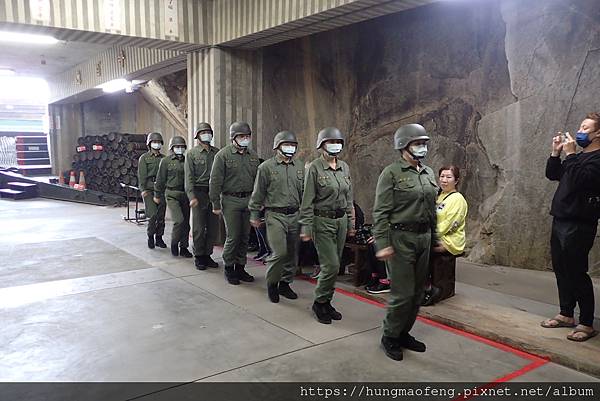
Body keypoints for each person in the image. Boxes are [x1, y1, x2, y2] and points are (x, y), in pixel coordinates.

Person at [373, 123, 438, 361]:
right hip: (400, 238)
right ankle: (390, 336)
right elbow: (380, 212)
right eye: (417, 143)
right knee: (403, 293)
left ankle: (403, 333)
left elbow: (432, 211)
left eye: (424, 143)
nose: (422, 147)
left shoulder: (428, 173)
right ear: (404, 146)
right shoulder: (391, 173)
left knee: (418, 292)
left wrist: (436, 238)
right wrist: (382, 243)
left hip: (424, 238)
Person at [541, 112, 600, 342]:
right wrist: (556, 152)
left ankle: (586, 322)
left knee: (577, 272)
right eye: (580, 127)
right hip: (561, 218)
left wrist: (572, 154)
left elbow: (581, 181)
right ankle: (566, 313)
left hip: (579, 222)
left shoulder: (596, 159)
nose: (580, 131)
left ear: (598, 133)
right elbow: (553, 174)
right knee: (561, 269)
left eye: (585, 128)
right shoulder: (576, 158)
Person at [300, 127, 355, 324]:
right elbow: (307, 201)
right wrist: (306, 227)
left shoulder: (345, 167)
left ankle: (327, 301)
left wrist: (351, 223)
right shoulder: (314, 168)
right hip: (321, 221)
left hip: (341, 221)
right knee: (330, 265)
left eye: (338, 141)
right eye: (330, 141)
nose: (335, 145)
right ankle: (319, 301)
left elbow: (349, 198)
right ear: (321, 145)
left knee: (336, 265)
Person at [249, 130, 304, 303]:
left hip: (295, 215)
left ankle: (285, 283)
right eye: (287, 145)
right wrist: (254, 214)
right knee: (279, 252)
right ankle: (272, 283)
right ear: (277, 147)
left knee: (292, 254)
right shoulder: (266, 168)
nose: (290, 148)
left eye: (293, 145)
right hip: (275, 215)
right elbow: (258, 193)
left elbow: (304, 193)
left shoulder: (300, 167)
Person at [209, 122, 260, 285]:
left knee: (245, 236)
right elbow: (215, 181)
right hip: (230, 200)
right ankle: (229, 267)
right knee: (233, 236)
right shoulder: (223, 156)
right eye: (241, 136)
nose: (245, 139)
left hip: (249, 199)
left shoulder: (252, 156)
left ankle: (241, 267)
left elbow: (258, 181)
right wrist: (215, 203)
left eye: (247, 136)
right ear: (233, 138)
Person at [422, 165, 468, 306]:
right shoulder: (439, 195)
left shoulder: (458, 199)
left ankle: (429, 290)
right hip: (435, 236)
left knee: (421, 250)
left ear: (456, 180)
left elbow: (447, 225)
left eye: (449, 177)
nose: (444, 180)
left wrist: (428, 236)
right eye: (442, 176)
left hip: (450, 240)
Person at [185, 122, 220, 270]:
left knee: (213, 227)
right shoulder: (192, 154)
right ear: (197, 136)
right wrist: (191, 196)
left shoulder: (217, 153)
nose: (207, 134)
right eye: (203, 132)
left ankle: (207, 254)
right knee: (199, 228)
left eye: (209, 132)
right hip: (199, 194)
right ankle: (199, 256)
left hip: (213, 193)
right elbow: (189, 177)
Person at [154, 136, 193, 258]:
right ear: (172, 148)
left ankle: (184, 247)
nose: (180, 149)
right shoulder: (165, 161)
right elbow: (160, 180)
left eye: (182, 147)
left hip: (185, 194)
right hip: (171, 194)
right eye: (177, 147)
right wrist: (156, 194)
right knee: (178, 220)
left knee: (186, 223)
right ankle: (174, 243)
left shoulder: (188, 160)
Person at [138, 132, 167, 249]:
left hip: (161, 190)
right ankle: (150, 235)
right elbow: (141, 175)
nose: (157, 144)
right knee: (153, 215)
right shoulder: (144, 158)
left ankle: (159, 238)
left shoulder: (164, 159)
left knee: (161, 216)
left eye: (159, 142)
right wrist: (143, 189)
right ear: (149, 144)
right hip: (149, 190)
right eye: (154, 142)